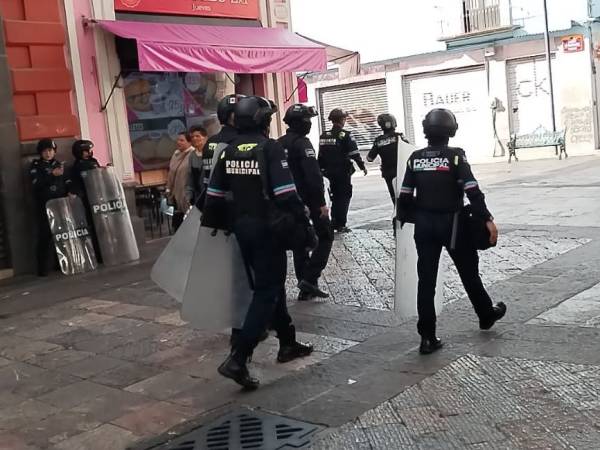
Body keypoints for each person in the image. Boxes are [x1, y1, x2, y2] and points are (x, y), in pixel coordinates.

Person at [203, 96, 313, 389]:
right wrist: (306, 224)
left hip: (242, 229)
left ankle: (287, 342)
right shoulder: (269, 148)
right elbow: (287, 194)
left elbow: (212, 197)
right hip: (269, 230)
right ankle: (238, 357)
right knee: (266, 291)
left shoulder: (229, 151)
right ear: (264, 120)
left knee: (270, 284)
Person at [396, 108, 506, 355]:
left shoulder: (414, 158)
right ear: (451, 131)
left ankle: (427, 337)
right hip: (454, 225)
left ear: (426, 130)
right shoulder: (456, 157)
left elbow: (403, 196)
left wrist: (412, 217)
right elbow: (472, 190)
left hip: (424, 226)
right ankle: (486, 314)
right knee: (469, 273)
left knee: (426, 281)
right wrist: (487, 218)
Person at [279, 104, 333, 301]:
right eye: (308, 121)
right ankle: (310, 278)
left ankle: (306, 287)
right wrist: (320, 204)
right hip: (308, 201)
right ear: (301, 123)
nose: (310, 124)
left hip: (287, 202)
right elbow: (313, 177)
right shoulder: (303, 144)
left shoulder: (278, 144)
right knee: (326, 236)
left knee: (299, 243)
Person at [187, 95, 244, 210]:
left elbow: (207, 181)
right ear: (232, 116)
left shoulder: (211, 143)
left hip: (215, 206)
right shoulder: (242, 141)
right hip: (241, 206)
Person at [318, 108, 367, 233]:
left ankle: (333, 221)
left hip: (327, 173)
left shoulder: (324, 135)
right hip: (342, 172)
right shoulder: (345, 135)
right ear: (342, 120)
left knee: (332, 196)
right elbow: (354, 153)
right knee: (343, 197)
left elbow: (320, 156)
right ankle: (340, 223)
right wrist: (362, 166)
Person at [30, 138, 68, 276]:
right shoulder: (36, 166)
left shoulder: (58, 164)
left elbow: (64, 181)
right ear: (40, 152)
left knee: (61, 234)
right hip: (44, 204)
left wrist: (69, 191)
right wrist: (51, 175)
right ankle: (43, 268)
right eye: (45, 151)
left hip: (59, 203)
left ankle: (61, 263)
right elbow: (36, 184)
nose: (48, 153)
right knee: (45, 235)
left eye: (50, 151)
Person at [68, 139, 102, 262]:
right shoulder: (77, 166)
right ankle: (96, 255)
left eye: (89, 150)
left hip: (99, 197)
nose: (89, 152)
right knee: (92, 226)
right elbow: (76, 184)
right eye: (86, 151)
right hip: (88, 200)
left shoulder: (94, 162)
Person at [368, 113, 409, 205]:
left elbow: (369, 158)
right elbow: (409, 148)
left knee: (394, 198)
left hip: (388, 173)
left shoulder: (378, 140)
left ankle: (397, 215)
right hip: (402, 171)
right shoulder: (399, 136)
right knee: (406, 195)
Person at [166, 132, 194, 231]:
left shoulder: (193, 154)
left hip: (186, 196)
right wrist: (168, 190)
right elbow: (171, 173)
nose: (179, 142)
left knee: (188, 225)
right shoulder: (176, 154)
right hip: (175, 195)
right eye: (178, 140)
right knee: (178, 226)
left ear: (189, 142)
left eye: (182, 140)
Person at [185, 125, 209, 209]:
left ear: (205, 137)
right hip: (197, 197)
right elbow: (190, 176)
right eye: (192, 137)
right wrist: (189, 195)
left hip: (210, 195)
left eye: (198, 136)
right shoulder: (192, 155)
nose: (194, 138)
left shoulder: (211, 153)